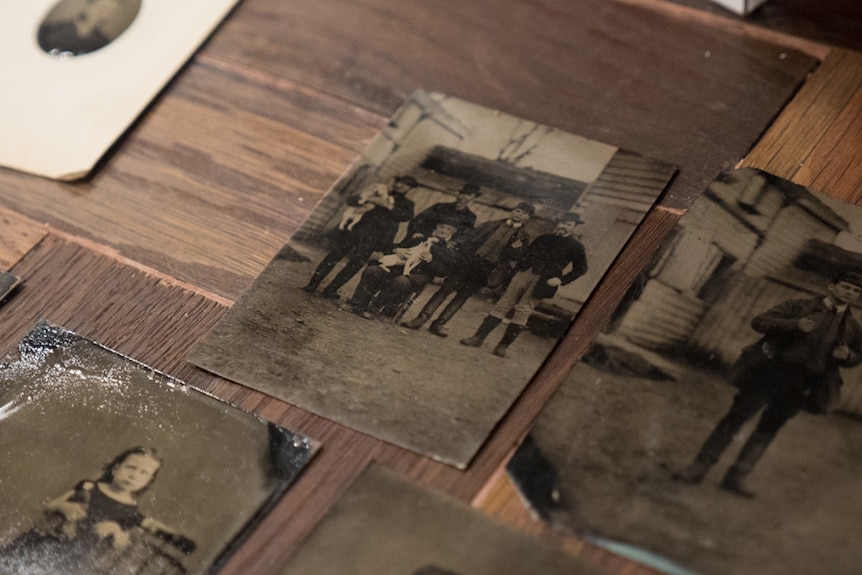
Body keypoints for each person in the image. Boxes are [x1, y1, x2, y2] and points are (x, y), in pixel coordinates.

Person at [675, 272, 862, 497]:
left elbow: (857, 356)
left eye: (855, 290)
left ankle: (737, 477)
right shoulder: (799, 306)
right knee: (735, 419)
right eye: (846, 287)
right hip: (770, 374)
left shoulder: (852, 327)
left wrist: (848, 355)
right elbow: (759, 321)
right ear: (831, 286)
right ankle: (699, 467)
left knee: (769, 428)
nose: (850, 293)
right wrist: (794, 325)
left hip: (804, 384)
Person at [0, 447, 193, 574]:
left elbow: (121, 542)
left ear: (148, 481)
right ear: (116, 468)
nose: (134, 475)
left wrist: (116, 531)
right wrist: (64, 506)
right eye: (131, 467)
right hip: (42, 540)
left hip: (73, 555)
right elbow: (49, 506)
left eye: (144, 473)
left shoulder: (130, 512)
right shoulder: (88, 487)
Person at [460, 212, 588, 357]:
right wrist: (514, 273)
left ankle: (502, 347)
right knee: (503, 304)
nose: (563, 226)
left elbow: (581, 269)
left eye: (568, 224)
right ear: (558, 223)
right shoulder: (543, 238)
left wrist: (561, 280)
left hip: (542, 282)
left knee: (523, 311)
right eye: (562, 223)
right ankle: (478, 338)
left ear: (574, 227)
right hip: (523, 274)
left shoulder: (576, 246)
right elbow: (525, 256)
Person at [400, 202, 534, 337]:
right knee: (445, 290)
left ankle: (439, 324)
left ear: (528, 217)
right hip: (468, 262)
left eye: (523, 213)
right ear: (512, 211)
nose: (519, 214)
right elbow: (469, 239)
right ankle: (421, 319)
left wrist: (515, 248)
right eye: (517, 210)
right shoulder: (492, 224)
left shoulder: (523, 236)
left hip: (487, 269)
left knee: (462, 297)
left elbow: (516, 256)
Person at [302, 175, 416, 300]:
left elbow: (406, 216)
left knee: (354, 265)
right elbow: (351, 200)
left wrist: (388, 206)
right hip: (353, 231)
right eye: (399, 182)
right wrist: (370, 199)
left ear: (409, 188)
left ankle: (331, 290)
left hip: (373, 238)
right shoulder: (377, 191)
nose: (400, 186)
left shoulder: (407, 204)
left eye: (405, 185)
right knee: (333, 256)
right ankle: (312, 284)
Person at [340, 221, 460, 319]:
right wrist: (398, 250)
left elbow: (443, 272)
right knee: (372, 270)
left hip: (416, 277)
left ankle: (373, 310)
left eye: (448, 229)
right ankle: (357, 304)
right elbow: (394, 246)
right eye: (441, 226)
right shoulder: (420, 238)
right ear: (436, 227)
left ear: (453, 232)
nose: (443, 230)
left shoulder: (448, 250)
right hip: (396, 269)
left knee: (400, 281)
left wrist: (430, 261)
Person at [37, 0, 130, 56]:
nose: (104, 13)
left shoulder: (104, 42)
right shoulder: (52, 32)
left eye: (109, 11)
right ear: (89, 6)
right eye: (102, 7)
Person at [405, 182, 480, 239]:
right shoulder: (439, 206)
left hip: (443, 246)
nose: (463, 197)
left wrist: (453, 243)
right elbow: (418, 220)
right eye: (462, 193)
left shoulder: (470, 216)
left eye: (469, 195)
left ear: (473, 198)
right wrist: (416, 232)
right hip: (424, 237)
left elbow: (465, 235)